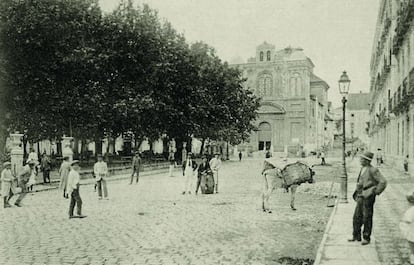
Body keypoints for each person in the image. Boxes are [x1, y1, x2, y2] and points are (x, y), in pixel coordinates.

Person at [349, 151, 387, 245]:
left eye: (362, 159)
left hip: (368, 196)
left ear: (367, 161)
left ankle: (366, 237)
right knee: (357, 216)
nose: (360, 160)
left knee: (367, 217)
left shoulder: (373, 170)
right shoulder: (362, 168)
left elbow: (383, 182)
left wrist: (375, 191)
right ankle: (356, 236)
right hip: (360, 196)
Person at [400, 193, 414, 264]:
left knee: (412, 247)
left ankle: (413, 259)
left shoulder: (411, 210)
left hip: (412, 232)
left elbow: (407, 220)